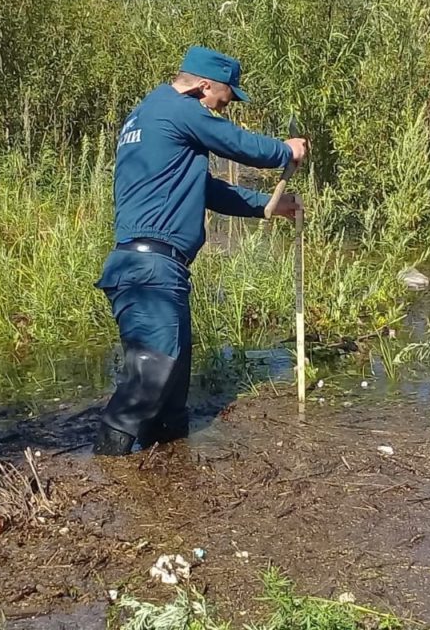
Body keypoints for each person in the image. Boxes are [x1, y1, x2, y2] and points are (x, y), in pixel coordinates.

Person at [92, 45, 308, 456]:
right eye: (222, 101)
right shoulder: (178, 108)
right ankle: (105, 472)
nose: (220, 112)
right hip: (149, 267)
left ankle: (173, 478)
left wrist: (266, 206)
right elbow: (237, 144)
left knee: (171, 391)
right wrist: (285, 151)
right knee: (151, 375)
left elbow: (205, 189)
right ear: (204, 86)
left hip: (153, 267)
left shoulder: (151, 114)